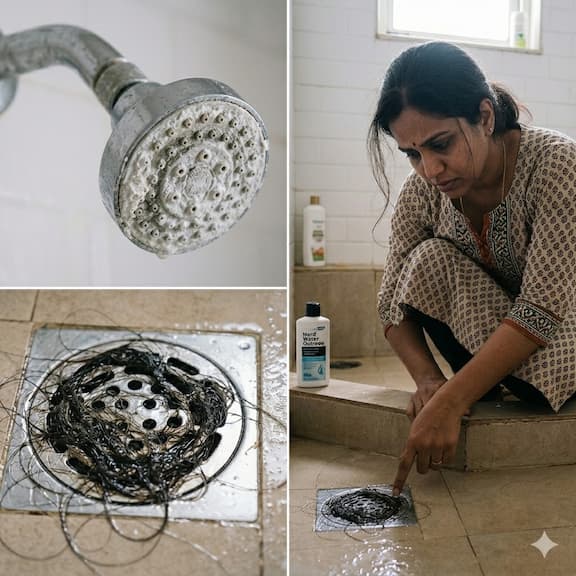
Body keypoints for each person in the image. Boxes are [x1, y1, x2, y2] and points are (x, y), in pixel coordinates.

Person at [368, 41, 576, 496]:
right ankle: (486, 384)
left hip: (565, 338)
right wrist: (428, 381)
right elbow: (389, 302)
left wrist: (452, 399)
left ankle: (494, 387)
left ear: (484, 117)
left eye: (441, 145)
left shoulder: (557, 164)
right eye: (412, 153)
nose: (430, 169)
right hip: (500, 343)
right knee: (428, 260)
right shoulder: (423, 188)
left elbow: (543, 306)